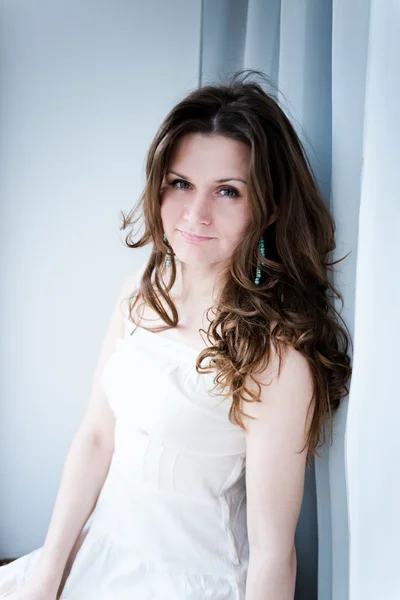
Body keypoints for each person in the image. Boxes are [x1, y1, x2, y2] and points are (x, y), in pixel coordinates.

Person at [0, 69, 352, 600]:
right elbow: (97, 438)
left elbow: (274, 551)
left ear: (269, 207)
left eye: (228, 192)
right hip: (96, 557)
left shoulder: (274, 357)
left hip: (187, 583)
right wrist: (50, 573)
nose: (195, 213)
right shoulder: (144, 289)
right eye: (181, 183)